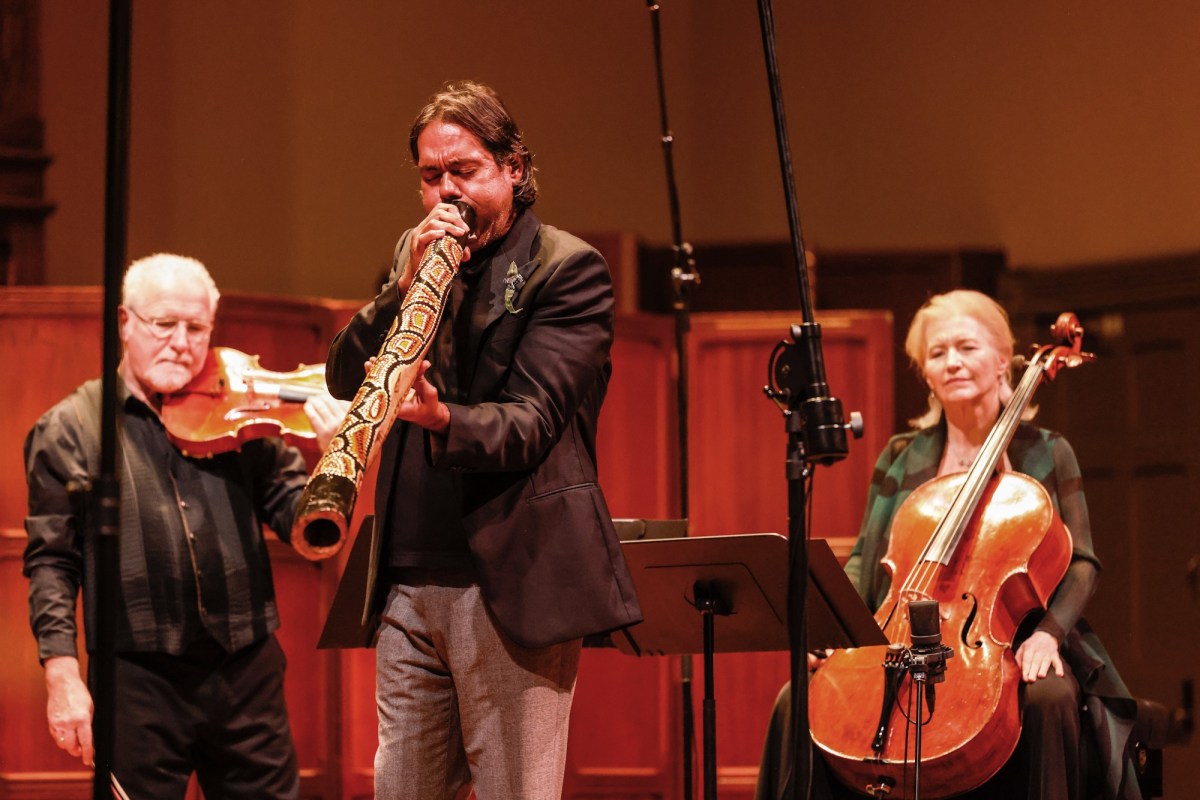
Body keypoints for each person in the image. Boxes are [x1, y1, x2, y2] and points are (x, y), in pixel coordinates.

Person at [324, 80, 643, 800]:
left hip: (510, 583)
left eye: (463, 171)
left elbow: (530, 421)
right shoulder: (415, 255)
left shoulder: (569, 270)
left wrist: (441, 420)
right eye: (430, 176)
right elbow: (346, 376)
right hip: (408, 579)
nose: (446, 192)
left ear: (514, 169)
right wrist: (397, 289)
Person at [755, 290, 1141, 800]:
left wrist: (1047, 635)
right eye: (938, 354)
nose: (952, 362)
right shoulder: (900, 456)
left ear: (1003, 360)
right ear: (926, 374)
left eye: (967, 347)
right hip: (899, 641)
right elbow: (866, 562)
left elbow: (1083, 564)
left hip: (1014, 639)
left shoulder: (1046, 451)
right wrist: (835, 627)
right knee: (796, 700)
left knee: (1047, 699)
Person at [23, 253, 349, 799]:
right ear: (126, 323)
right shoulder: (71, 427)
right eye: (164, 325)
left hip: (246, 669)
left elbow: (298, 518)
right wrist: (62, 677)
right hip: (135, 680)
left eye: (196, 328)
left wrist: (336, 456)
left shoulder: (244, 412)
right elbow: (52, 561)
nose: (182, 343)